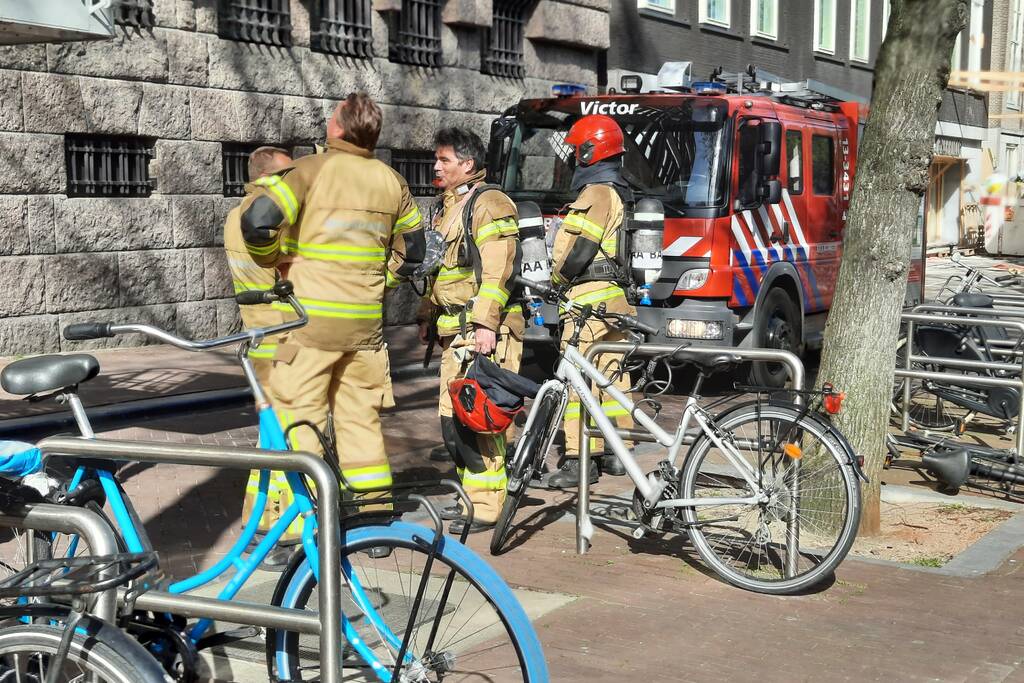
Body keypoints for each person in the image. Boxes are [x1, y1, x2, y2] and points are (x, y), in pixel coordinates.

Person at [239, 93, 425, 511]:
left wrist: (273, 260)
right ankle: (374, 514)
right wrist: (380, 285)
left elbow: (258, 220)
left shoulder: (309, 170)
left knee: (298, 416)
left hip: (309, 324)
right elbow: (414, 249)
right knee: (361, 419)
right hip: (364, 329)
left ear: (337, 128)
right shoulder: (393, 181)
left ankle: (298, 517)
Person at [416, 127, 523, 533]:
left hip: (480, 331)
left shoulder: (490, 203)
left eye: (444, 160)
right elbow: (439, 269)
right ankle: (470, 496)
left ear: (468, 164)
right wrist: (426, 314)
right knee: (454, 421)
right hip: (453, 331)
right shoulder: (446, 206)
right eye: (437, 158)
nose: (436, 166)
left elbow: (499, 268)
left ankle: (487, 506)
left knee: (479, 420)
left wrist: (484, 323)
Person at [546, 114, 635, 489]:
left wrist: (558, 279)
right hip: (613, 303)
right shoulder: (618, 190)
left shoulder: (596, 193)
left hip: (587, 302)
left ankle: (580, 459)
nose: (570, 159)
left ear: (588, 152)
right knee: (612, 378)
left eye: (574, 151)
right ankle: (617, 451)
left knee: (579, 379)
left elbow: (582, 247)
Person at [225, 146, 298, 548]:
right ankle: (290, 526)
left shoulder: (235, 215)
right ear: (269, 176)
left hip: (259, 342)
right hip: (287, 341)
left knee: (271, 438)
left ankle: (259, 520)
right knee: (296, 436)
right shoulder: (271, 220)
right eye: (288, 175)